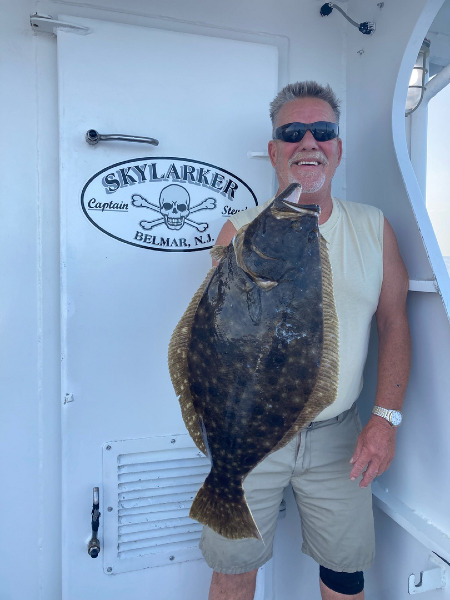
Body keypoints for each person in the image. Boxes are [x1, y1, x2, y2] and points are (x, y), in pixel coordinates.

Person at [200, 81, 411, 600]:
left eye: (323, 131)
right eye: (292, 132)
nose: (308, 142)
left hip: (339, 435)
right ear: (274, 150)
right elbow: (215, 344)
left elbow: (394, 323)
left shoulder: (374, 228)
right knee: (233, 569)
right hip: (250, 435)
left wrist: (385, 420)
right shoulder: (239, 233)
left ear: (338, 147)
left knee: (345, 572)